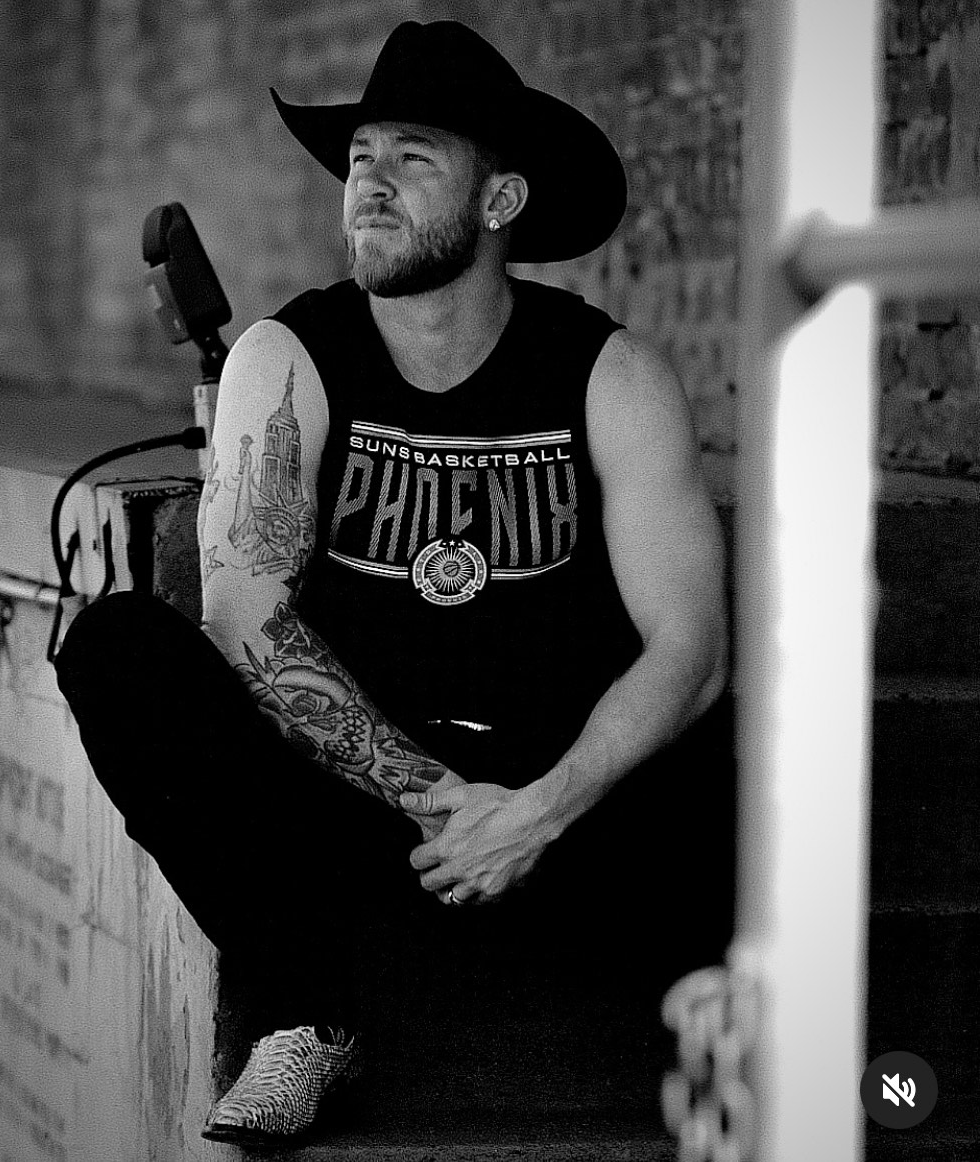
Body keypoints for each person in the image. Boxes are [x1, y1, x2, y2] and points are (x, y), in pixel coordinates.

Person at [53, 19, 731, 1146]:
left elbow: (690, 648)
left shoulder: (611, 374)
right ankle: (308, 1013)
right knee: (117, 647)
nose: (369, 183)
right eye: (361, 157)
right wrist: (448, 810)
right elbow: (248, 620)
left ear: (501, 200)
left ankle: (718, 1042)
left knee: (724, 744)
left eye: (413, 158)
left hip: (557, 804)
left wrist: (539, 809)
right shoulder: (289, 359)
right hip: (360, 817)